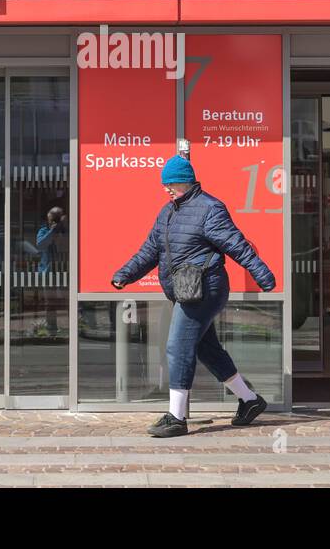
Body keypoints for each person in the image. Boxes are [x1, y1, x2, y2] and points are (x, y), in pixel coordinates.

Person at [112, 154, 276, 437]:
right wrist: (125, 274)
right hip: (186, 290)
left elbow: (237, 245)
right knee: (206, 349)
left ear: (186, 181)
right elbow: (150, 251)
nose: (167, 189)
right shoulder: (167, 212)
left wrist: (263, 275)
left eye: (172, 183)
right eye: (165, 184)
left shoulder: (210, 208)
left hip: (206, 289)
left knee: (177, 346)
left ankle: (176, 417)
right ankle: (250, 400)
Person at [35, 206, 67, 275]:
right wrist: (52, 231)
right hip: (45, 272)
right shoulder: (44, 230)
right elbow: (40, 244)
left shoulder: (66, 232)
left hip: (63, 271)